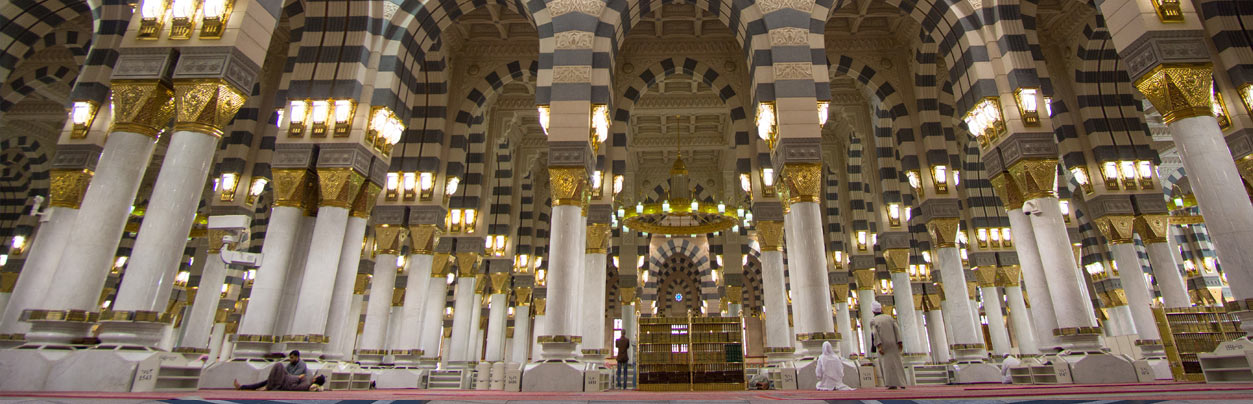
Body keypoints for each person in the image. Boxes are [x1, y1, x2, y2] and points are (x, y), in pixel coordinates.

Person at [869, 301, 907, 389]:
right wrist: (899, 342)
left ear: (873, 311)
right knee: (898, 363)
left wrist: (878, 346)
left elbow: (875, 334)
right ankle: (902, 383)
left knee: (886, 365)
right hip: (894, 344)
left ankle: (891, 384)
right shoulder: (889, 318)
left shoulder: (874, 321)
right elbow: (897, 329)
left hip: (883, 345)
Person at [235, 350, 316, 391]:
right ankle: (243, 387)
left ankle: (269, 387)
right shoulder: (291, 364)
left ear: (297, 357)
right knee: (267, 380)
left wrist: (282, 374)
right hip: (285, 379)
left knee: (279, 365)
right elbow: (286, 372)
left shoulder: (302, 364)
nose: (290, 360)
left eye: (292, 358)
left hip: (290, 381)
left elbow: (294, 377)